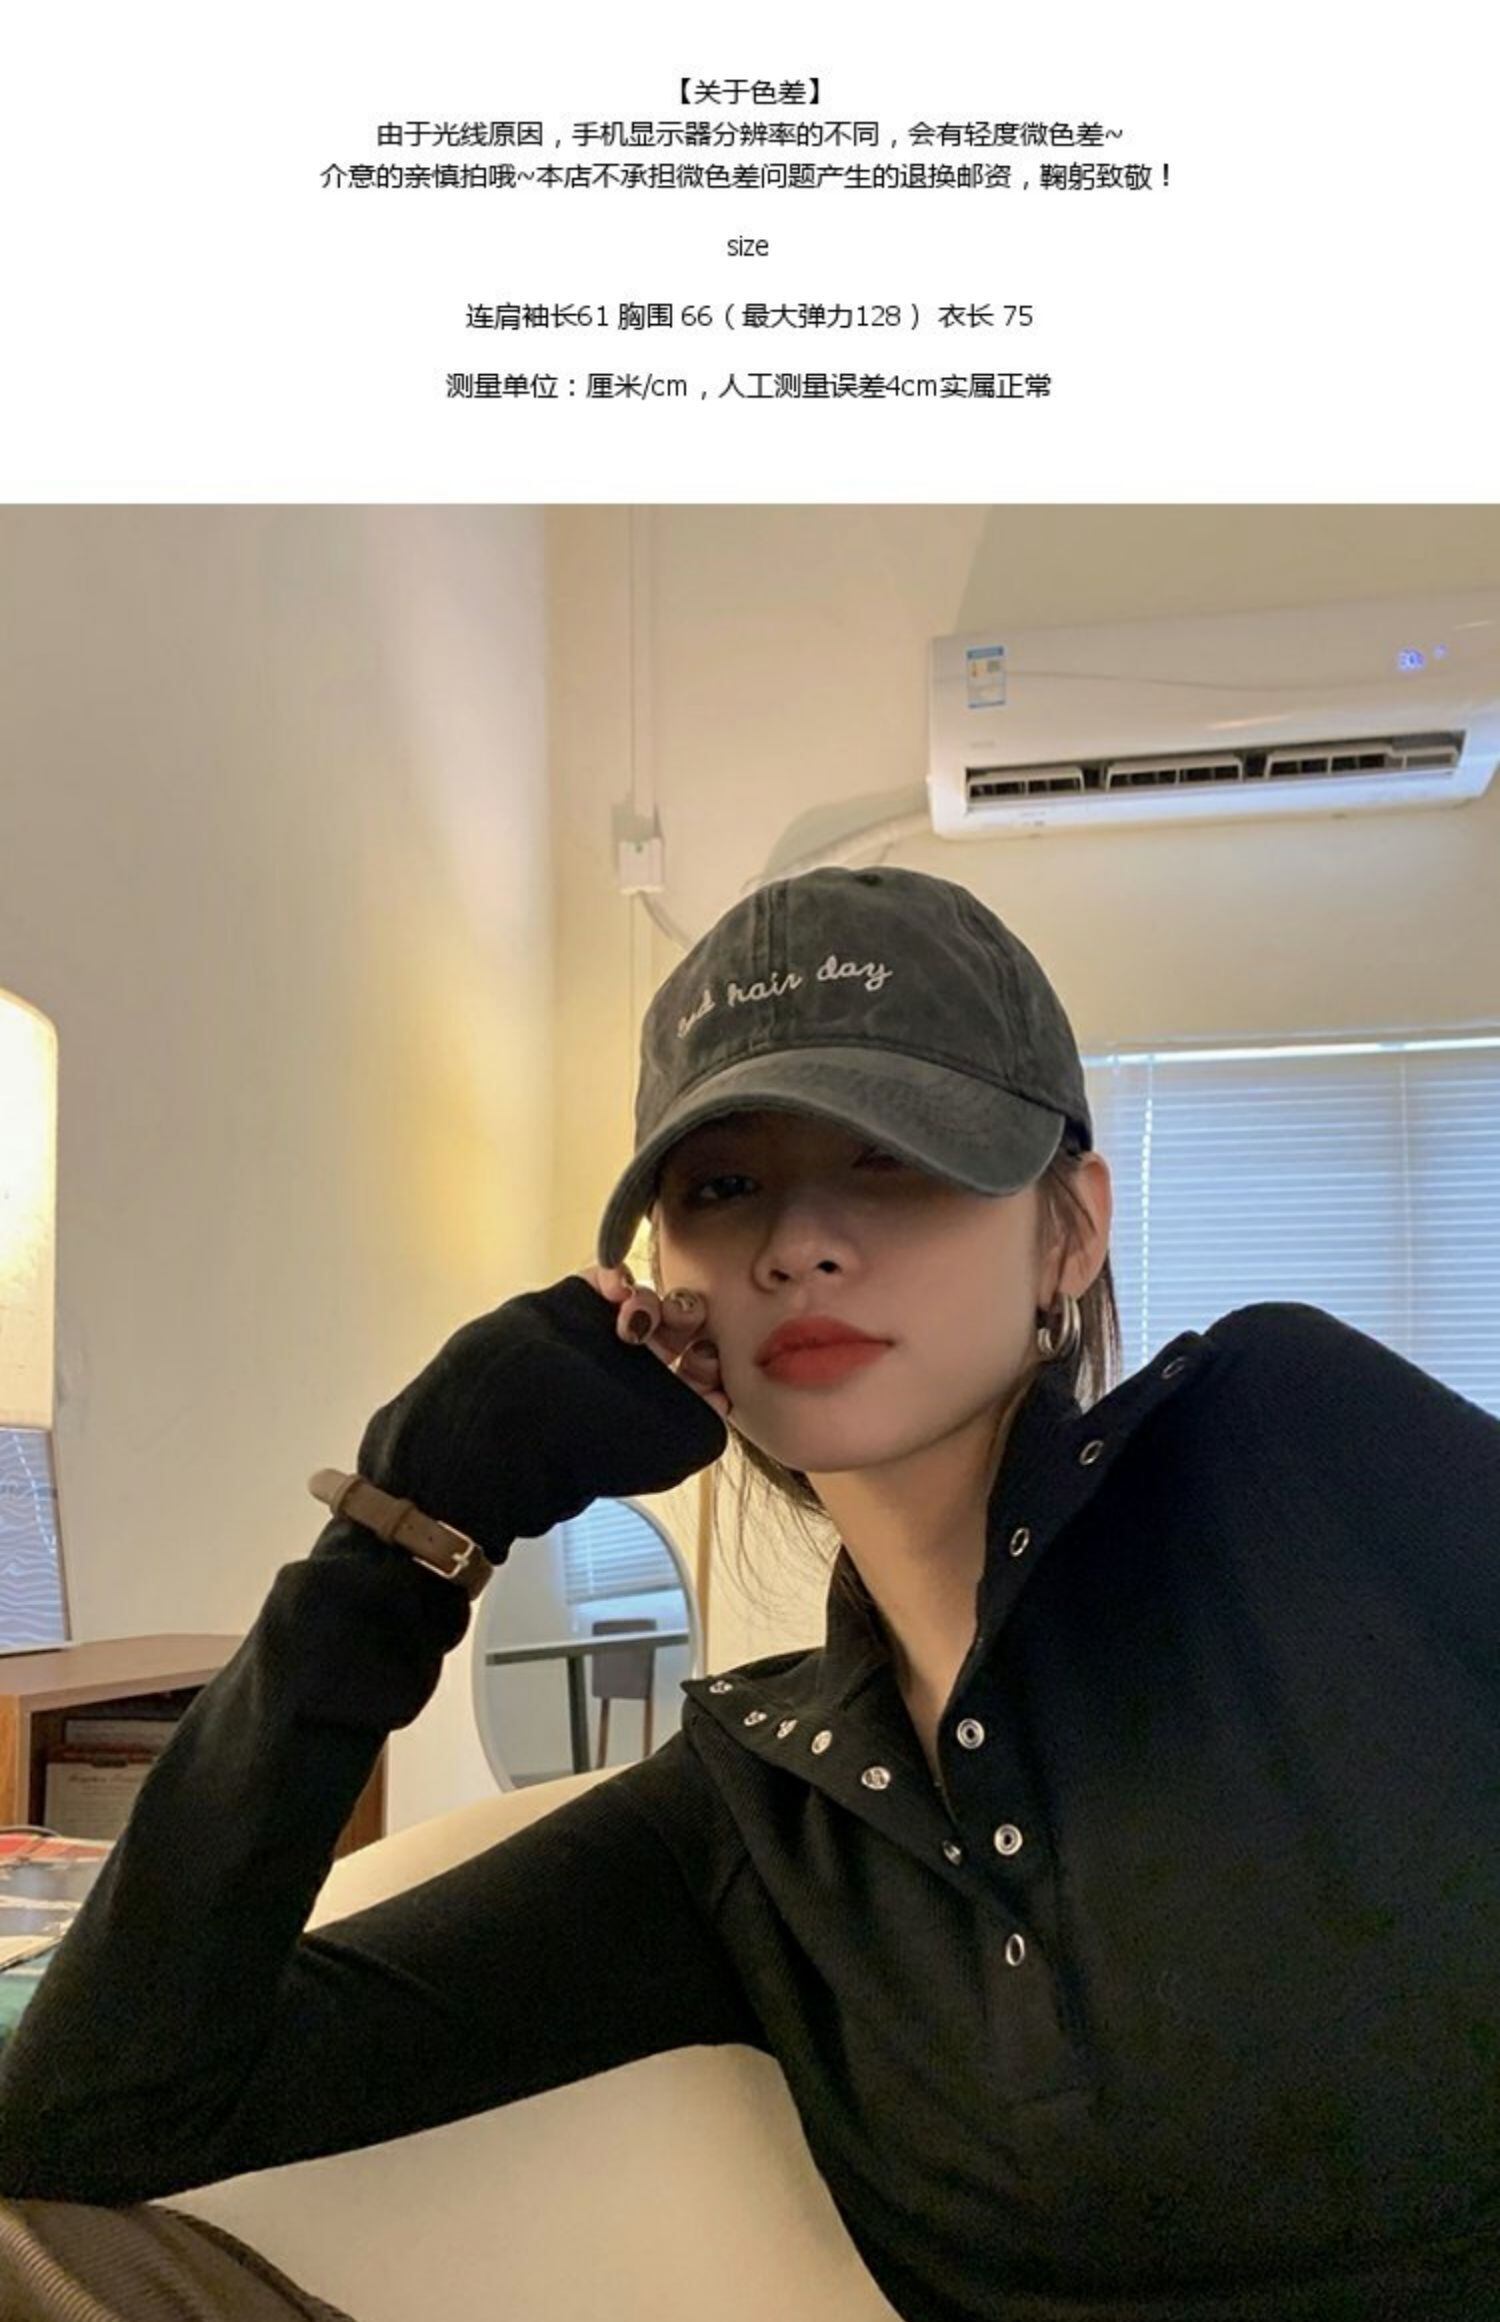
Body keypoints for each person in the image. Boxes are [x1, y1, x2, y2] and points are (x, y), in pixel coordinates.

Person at [0, 864, 1496, 2322]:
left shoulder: (1284, 1451)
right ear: (665, 1278)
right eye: (725, 1187)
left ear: (1071, 1228)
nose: (797, 1245)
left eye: (889, 1155)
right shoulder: (754, 1816)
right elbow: (97, 2108)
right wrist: (405, 1530)